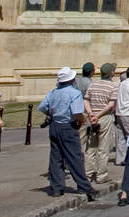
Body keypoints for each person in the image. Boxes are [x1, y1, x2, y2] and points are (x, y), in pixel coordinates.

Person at [37, 67, 98, 200]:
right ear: (72, 80)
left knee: (56, 157)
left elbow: (42, 107)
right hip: (68, 126)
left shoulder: (53, 92)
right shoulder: (74, 93)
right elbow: (77, 112)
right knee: (74, 157)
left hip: (55, 125)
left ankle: (56, 187)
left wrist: (52, 113)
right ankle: (84, 186)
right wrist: (80, 121)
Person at [84, 62, 119, 183]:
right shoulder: (113, 87)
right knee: (103, 148)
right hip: (104, 118)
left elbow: (86, 100)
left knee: (91, 147)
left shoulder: (93, 85)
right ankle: (101, 175)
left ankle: (87, 174)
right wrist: (98, 115)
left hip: (92, 117)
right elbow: (110, 105)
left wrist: (91, 114)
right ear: (112, 73)